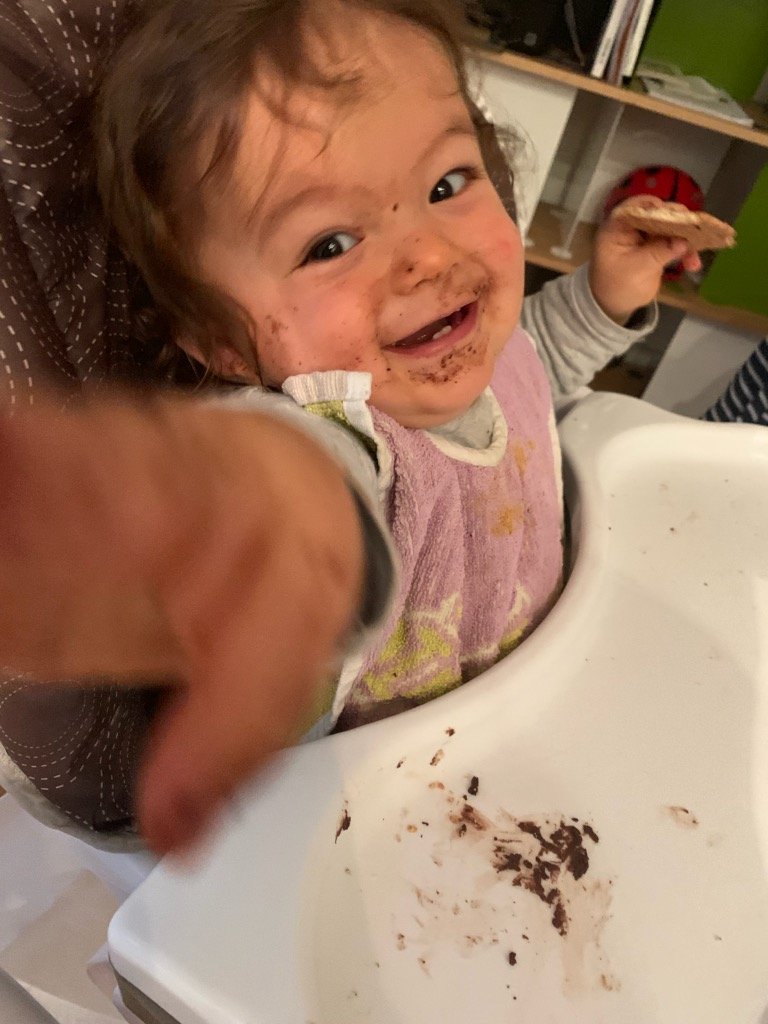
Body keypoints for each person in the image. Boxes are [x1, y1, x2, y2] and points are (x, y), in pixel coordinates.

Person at [0, 0, 699, 856]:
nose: (428, 255)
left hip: (545, 751)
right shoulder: (330, 432)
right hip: (372, 841)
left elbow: (529, 373)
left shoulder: (475, 354)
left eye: (447, 185)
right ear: (226, 344)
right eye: (329, 244)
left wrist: (602, 299)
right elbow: (306, 483)